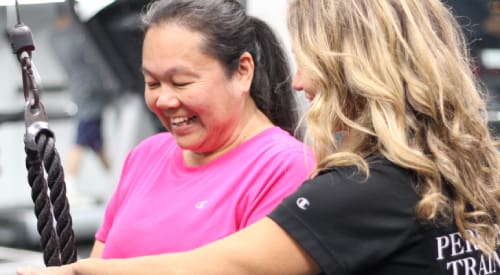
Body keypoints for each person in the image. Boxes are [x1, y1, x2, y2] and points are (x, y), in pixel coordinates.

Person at [17, 0, 500, 274]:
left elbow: (223, 269)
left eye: (308, 61)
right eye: (152, 81)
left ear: (354, 71)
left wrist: (74, 272)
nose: (298, 81)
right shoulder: (456, 178)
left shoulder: (359, 188)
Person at [80, 0, 312, 259]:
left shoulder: (286, 168)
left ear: (242, 72)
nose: (164, 100)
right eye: (152, 83)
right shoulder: (146, 155)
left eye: (181, 83)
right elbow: (96, 265)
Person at [51, 8, 113, 204]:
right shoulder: (70, 37)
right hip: (87, 92)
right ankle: (68, 185)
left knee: (96, 142)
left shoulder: (57, 37)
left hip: (85, 90)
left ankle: (117, 181)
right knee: (83, 137)